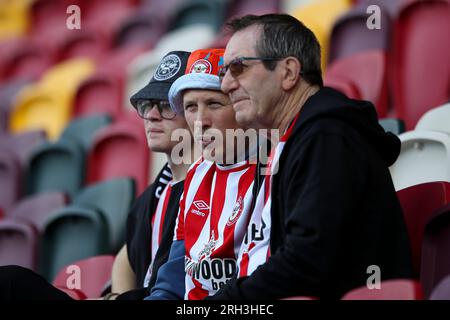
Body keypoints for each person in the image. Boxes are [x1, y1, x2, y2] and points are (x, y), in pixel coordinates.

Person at [209, 13, 413, 300]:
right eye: (223, 72)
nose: (226, 84)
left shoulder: (326, 136)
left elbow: (306, 262)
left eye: (238, 67)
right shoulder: (296, 138)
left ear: (289, 72)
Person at [0, 51, 193, 300]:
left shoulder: (210, 188)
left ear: (196, 113)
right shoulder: (155, 193)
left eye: (166, 106)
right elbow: (126, 257)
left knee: (11, 283)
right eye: (147, 106)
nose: (152, 115)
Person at [146, 48, 258, 300]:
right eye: (190, 108)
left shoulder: (273, 169)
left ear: (242, 105)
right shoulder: (196, 174)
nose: (200, 120)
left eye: (214, 103)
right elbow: (173, 279)